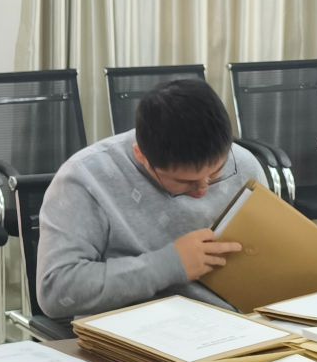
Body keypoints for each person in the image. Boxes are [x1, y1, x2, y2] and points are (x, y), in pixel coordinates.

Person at [35, 78, 267, 322]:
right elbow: (56, 291)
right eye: (185, 182)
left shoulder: (243, 164)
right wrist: (168, 265)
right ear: (141, 156)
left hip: (236, 324)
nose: (203, 190)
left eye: (217, 173)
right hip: (132, 330)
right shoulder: (86, 178)